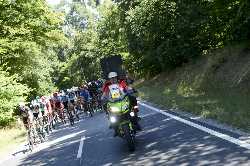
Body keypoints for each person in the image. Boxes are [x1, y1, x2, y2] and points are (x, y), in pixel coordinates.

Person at [102, 72, 141, 136]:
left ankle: (135, 113)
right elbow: (104, 95)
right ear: (109, 79)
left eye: (114, 78)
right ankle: (111, 121)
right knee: (105, 105)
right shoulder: (107, 87)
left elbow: (127, 88)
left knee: (133, 98)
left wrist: (131, 90)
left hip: (123, 99)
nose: (113, 79)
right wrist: (102, 98)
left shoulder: (121, 83)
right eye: (111, 78)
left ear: (116, 78)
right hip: (113, 102)